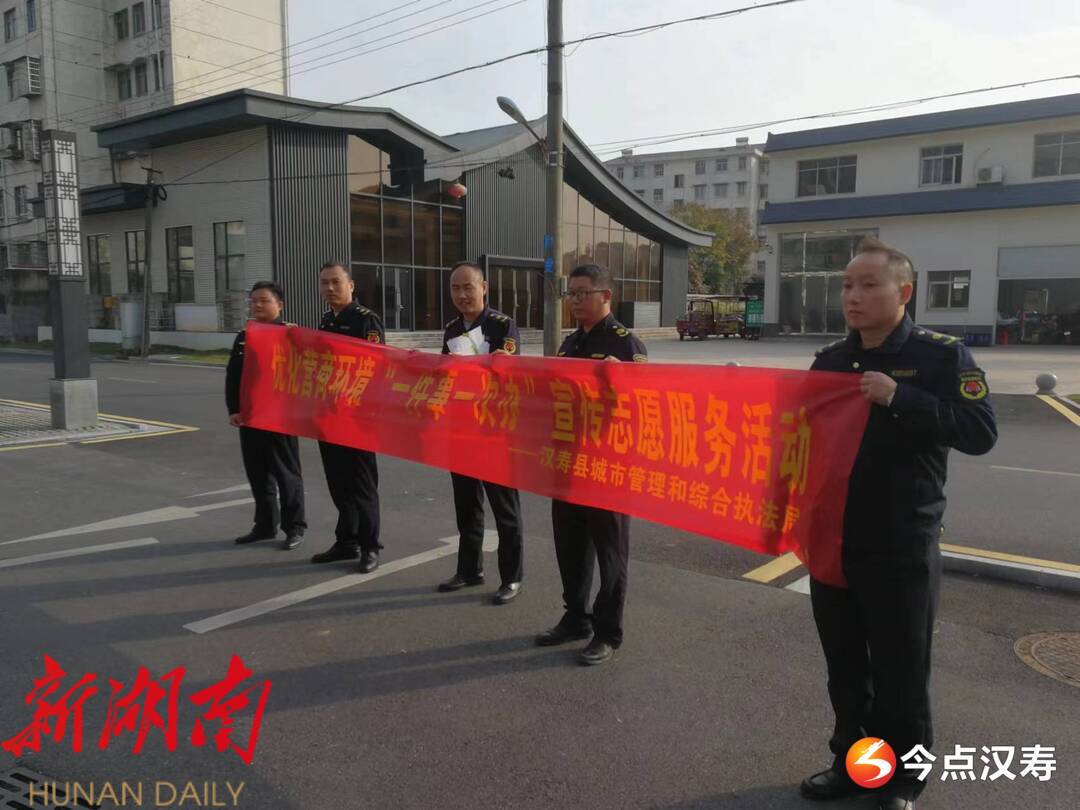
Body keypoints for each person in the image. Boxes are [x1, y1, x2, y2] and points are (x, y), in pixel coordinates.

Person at [803, 237, 997, 810]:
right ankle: (853, 764)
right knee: (845, 668)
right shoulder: (830, 361)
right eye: (847, 286)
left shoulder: (942, 358)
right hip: (836, 539)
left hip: (902, 542)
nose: (853, 297)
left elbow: (980, 433)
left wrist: (901, 398)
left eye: (869, 285)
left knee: (901, 670)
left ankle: (905, 778)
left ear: (904, 292)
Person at [535, 264, 648, 666]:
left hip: (608, 468)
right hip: (569, 463)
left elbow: (644, 406)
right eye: (571, 293)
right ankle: (575, 616)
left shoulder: (626, 345)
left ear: (606, 296)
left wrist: (621, 383)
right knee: (570, 546)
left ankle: (607, 631)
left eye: (583, 293)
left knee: (610, 554)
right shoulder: (570, 344)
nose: (576, 300)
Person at [436, 261, 525, 605]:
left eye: (468, 287)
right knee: (467, 504)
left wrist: (501, 364)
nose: (462, 294)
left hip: (495, 431)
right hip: (462, 429)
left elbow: (512, 373)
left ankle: (511, 577)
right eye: (455, 288)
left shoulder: (503, 325)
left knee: (505, 509)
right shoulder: (451, 328)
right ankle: (469, 570)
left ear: (484, 288)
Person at [310, 261, 386, 574]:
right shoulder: (327, 320)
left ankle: (370, 546)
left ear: (351, 285)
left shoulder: (366, 320)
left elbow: (378, 367)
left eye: (336, 282)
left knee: (362, 486)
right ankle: (346, 541)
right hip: (329, 417)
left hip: (357, 419)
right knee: (339, 483)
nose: (329, 288)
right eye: (324, 282)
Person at [225, 281, 307, 550]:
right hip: (250, 417)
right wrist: (234, 409)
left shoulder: (290, 335)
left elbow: (302, 376)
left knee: (287, 475)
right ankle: (265, 525)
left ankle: (294, 527)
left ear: (279, 305)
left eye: (264, 300)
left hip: (280, 418)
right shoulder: (244, 335)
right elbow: (233, 374)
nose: (257, 305)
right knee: (258, 474)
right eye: (253, 300)